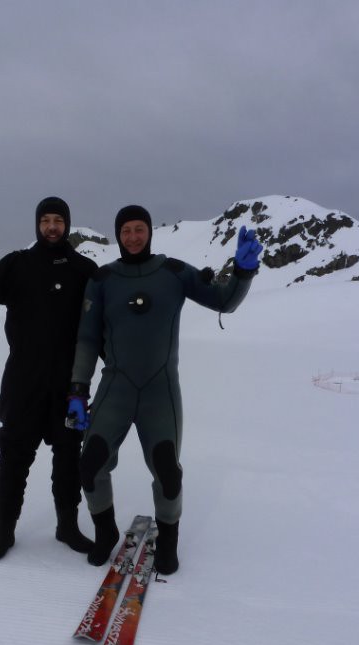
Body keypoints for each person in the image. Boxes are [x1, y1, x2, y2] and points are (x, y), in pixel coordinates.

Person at [65, 204, 262, 574]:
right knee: (90, 466)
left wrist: (244, 272)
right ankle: (105, 533)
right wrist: (78, 390)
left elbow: (224, 300)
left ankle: (168, 544)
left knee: (168, 473)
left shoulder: (172, 273)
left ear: (149, 232)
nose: (133, 237)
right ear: (118, 235)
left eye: (139, 229)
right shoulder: (104, 280)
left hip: (160, 394)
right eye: (126, 231)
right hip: (115, 389)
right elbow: (88, 339)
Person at [0, 197, 99, 560]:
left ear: (67, 225)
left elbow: (103, 330)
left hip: (69, 387)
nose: (52, 226)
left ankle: (67, 527)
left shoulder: (85, 270)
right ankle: (4, 531)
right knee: (13, 458)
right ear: (37, 225)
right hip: (23, 384)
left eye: (58, 220)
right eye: (45, 220)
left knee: (68, 458)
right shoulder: (17, 265)